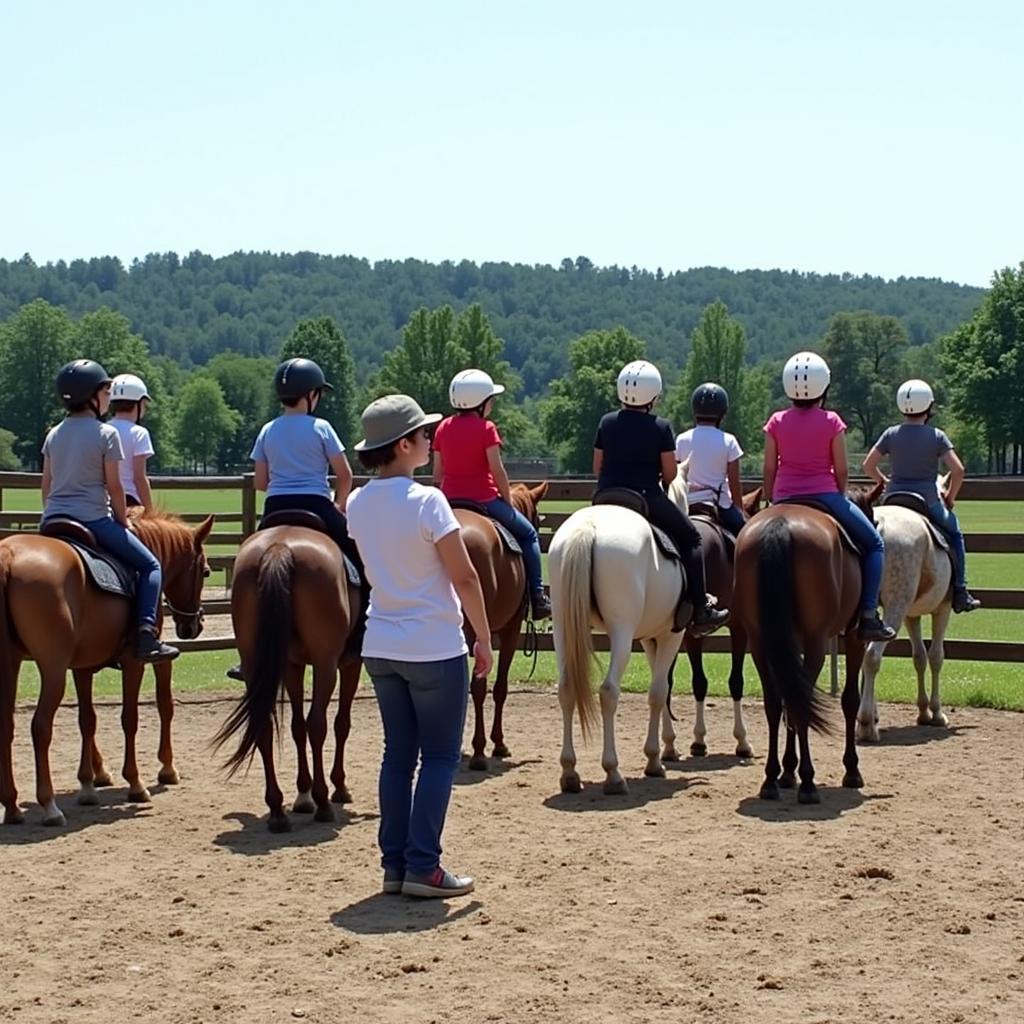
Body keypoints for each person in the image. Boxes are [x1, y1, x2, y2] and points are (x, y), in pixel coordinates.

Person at [347, 394, 492, 900]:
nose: (431, 440)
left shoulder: (357, 503)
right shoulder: (429, 501)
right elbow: (465, 576)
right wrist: (485, 639)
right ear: (403, 445)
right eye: (424, 434)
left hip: (381, 643)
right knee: (439, 757)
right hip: (433, 645)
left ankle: (395, 865)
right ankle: (424, 865)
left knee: (397, 756)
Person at [226, 357, 364, 681]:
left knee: (248, 564)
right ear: (311, 394)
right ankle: (361, 636)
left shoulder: (267, 430)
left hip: (275, 508)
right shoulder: (321, 427)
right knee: (363, 560)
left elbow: (261, 482)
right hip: (316, 505)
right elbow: (345, 474)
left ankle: (247, 656)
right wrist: (340, 505)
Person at [41, 359, 178, 662]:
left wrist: (50, 515)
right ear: (91, 395)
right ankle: (145, 635)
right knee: (151, 566)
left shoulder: (53, 434)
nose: (108, 397)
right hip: (93, 519)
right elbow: (115, 487)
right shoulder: (105, 434)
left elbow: (46, 487)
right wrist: (123, 522)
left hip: (52, 520)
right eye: (105, 391)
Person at [763, 351, 895, 641]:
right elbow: (843, 469)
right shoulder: (832, 421)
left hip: (783, 497)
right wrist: (839, 495)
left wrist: (771, 500)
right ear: (824, 385)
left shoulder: (776, 421)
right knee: (874, 545)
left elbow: (770, 467)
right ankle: (869, 616)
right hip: (826, 494)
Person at [593, 360, 729, 636]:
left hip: (605, 496)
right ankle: (701, 608)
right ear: (654, 396)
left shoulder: (606, 423)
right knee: (692, 538)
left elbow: (597, 467)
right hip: (644, 497)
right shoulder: (660, 427)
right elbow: (669, 475)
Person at [432, 369, 551, 620]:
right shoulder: (487, 428)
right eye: (491, 400)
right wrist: (508, 502)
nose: (492, 405)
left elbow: (436, 475)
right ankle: (537, 596)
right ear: (481, 402)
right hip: (485, 500)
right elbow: (497, 471)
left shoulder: (443, 428)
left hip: (450, 501)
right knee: (529, 534)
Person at [863, 379, 981, 613]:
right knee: (955, 533)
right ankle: (960, 590)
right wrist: (950, 497)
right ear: (928, 407)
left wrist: (882, 481)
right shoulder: (937, 436)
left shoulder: (890, 434)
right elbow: (958, 470)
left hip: (893, 498)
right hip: (926, 500)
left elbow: (868, 465)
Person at [675, 382, 747, 536]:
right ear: (723, 412)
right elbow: (734, 482)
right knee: (745, 537)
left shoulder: (681, 439)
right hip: (719, 504)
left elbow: (675, 476)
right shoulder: (729, 441)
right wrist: (739, 510)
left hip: (686, 503)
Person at [108, 373, 155, 510]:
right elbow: (139, 478)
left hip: (103, 501)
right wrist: (150, 511)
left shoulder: (101, 429)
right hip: (131, 502)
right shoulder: (139, 433)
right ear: (138, 404)